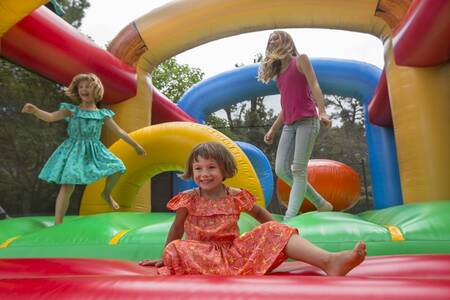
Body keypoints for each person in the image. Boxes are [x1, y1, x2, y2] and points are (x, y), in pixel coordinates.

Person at [139, 142, 366, 276]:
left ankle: (329, 261)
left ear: (225, 169)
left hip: (235, 252)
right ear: (191, 171)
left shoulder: (236, 196)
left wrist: (279, 237)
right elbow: (177, 229)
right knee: (175, 248)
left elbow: (260, 215)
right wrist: (163, 255)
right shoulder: (188, 199)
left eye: (211, 167)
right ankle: (205, 265)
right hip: (201, 253)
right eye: (197, 168)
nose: (204, 174)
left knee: (276, 230)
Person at [21, 73, 146, 224]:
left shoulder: (102, 114)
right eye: (80, 87)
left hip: (94, 150)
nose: (84, 89)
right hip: (73, 150)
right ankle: (58, 222)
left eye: (88, 86)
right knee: (67, 186)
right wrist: (35, 111)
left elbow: (119, 132)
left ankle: (106, 194)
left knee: (119, 168)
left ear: (96, 90)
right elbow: (51, 117)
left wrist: (136, 146)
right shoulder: (72, 110)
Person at [258, 30, 333, 220]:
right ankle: (322, 204)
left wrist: (322, 111)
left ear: (287, 41)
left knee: (298, 170)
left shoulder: (300, 60)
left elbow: (314, 85)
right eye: (270, 39)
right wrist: (273, 129)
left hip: (308, 121)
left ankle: (289, 218)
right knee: (281, 170)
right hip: (289, 125)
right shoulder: (279, 76)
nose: (273, 40)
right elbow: (286, 106)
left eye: (277, 37)